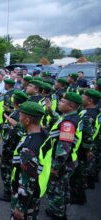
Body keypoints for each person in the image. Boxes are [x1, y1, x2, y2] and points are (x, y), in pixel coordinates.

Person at [11, 102, 52, 220]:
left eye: (20, 115)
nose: (19, 118)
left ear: (27, 120)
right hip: (38, 187)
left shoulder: (28, 149)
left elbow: (27, 181)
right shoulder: (44, 133)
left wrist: (20, 207)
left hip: (26, 194)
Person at [46, 92, 83, 220]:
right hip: (70, 160)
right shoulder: (70, 117)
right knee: (63, 186)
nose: (60, 103)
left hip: (63, 163)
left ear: (71, 105)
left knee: (56, 188)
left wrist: (55, 167)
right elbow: (59, 120)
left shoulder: (69, 124)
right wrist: (51, 111)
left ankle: (58, 213)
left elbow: (64, 149)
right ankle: (62, 207)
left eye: (62, 101)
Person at [0, 90, 28, 202]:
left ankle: (8, 192)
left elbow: (8, 138)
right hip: (20, 148)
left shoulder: (15, 116)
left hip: (10, 150)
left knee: (6, 170)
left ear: (16, 102)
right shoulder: (24, 112)